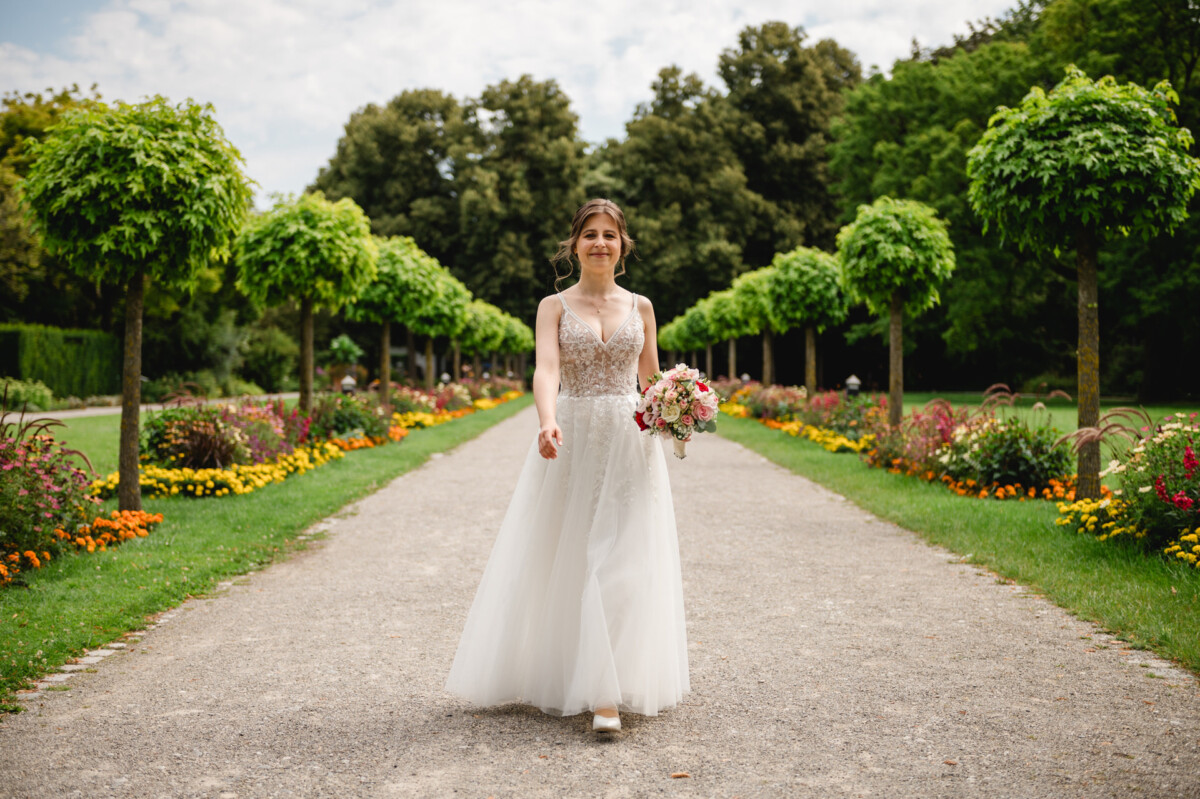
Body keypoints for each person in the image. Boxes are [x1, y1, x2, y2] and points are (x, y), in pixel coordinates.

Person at [445, 199, 689, 734]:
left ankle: (608, 691)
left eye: (610, 235)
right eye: (590, 234)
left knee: (624, 558)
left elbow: (649, 378)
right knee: (576, 553)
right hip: (574, 437)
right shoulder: (553, 305)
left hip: (631, 443)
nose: (600, 243)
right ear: (574, 245)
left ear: (623, 245)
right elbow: (546, 368)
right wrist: (546, 420)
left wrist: (678, 406)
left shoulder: (643, 307)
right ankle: (584, 680)